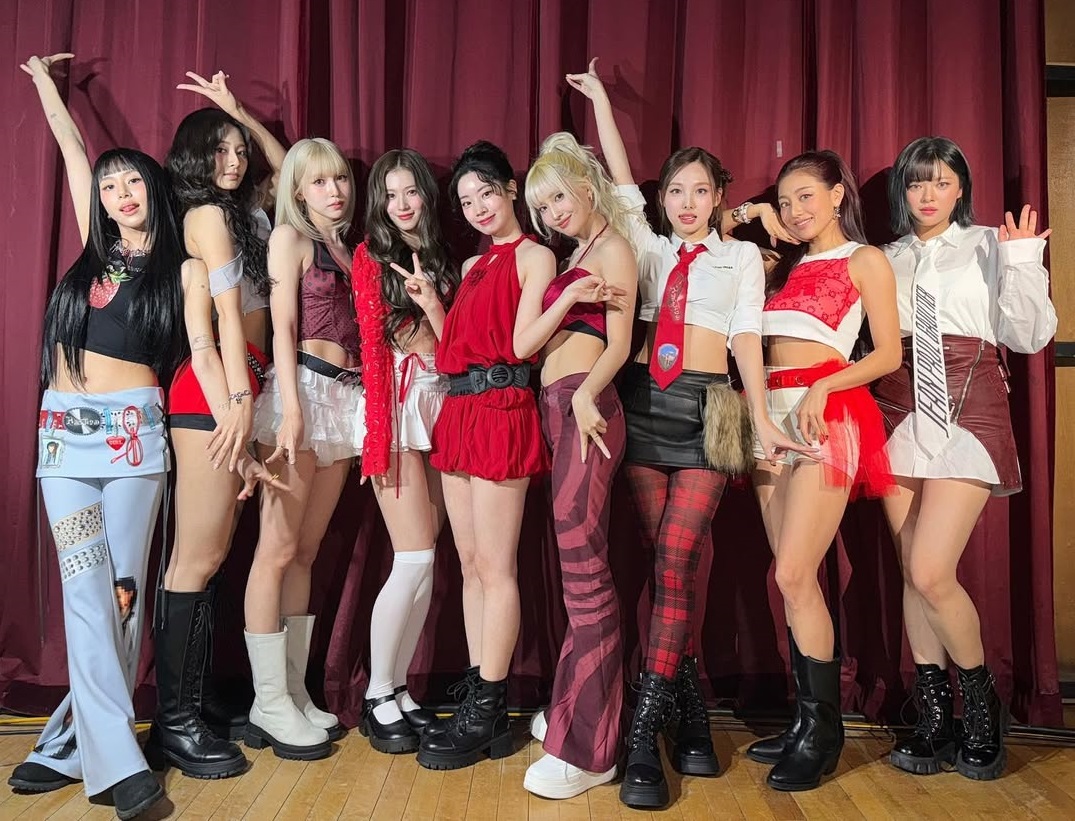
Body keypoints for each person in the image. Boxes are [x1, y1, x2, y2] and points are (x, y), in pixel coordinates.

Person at [567, 59, 808, 808]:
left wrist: (761, 418)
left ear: (719, 197)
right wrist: (601, 101)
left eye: (701, 190)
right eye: (675, 190)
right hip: (641, 404)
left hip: (710, 410)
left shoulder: (739, 258)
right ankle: (691, 712)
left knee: (677, 554)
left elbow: (746, 340)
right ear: (662, 197)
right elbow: (617, 176)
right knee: (669, 568)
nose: (687, 203)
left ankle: (643, 734)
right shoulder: (644, 244)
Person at [8, 52, 183, 820]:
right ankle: (118, 764)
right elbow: (72, 148)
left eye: (131, 181)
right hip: (64, 441)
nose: (118, 193)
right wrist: (47, 86)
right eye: (108, 186)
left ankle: (69, 741)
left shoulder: (177, 265)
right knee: (84, 590)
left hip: (133, 439)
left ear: (153, 190)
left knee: (121, 595)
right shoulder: (94, 250)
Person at [874, 137, 1056, 781]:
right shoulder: (885, 257)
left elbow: (1028, 336)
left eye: (942, 182)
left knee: (932, 569)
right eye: (916, 182)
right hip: (897, 408)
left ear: (961, 189)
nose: (928, 195)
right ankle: (934, 719)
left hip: (968, 406)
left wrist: (1024, 260)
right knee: (910, 569)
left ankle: (981, 708)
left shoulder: (988, 245)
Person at [747, 149, 901, 792]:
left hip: (826, 414)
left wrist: (826, 385)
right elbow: (711, 229)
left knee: (793, 570)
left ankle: (824, 732)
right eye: (784, 203)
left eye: (805, 196)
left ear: (838, 194)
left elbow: (888, 354)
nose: (794, 211)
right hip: (769, 419)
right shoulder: (781, 266)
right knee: (789, 579)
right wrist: (755, 215)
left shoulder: (865, 260)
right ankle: (805, 721)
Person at [151, 70, 286, 778]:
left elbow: (288, 172)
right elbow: (226, 321)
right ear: (194, 159)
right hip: (212, 391)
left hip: (241, 384)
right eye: (221, 149)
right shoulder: (205, 214)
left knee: (211, 557)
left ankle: (193, 707)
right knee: (195, 559)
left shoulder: (241, 212)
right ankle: (174, 723)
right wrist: (237, 400)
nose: (234, 160)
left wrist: (237, 111)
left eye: (239, 150)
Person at [415, 141, 552, 771]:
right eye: (466, 201)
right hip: (460, 410)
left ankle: (491, 704)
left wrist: (568, 299)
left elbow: (519, 345)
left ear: (511, 188)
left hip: (502, 410)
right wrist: (432, 306)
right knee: (469, 563)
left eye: (486, 193)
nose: (478, 208)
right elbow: (453, 350)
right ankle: (480, 694)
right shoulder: (471, 266)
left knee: (496, 567)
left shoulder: (536, 256)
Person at [518, 131, 637, 799]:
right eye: (542, 206)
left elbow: (620, 343)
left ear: (587, 189)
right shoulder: (580, 253)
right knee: (575, 574)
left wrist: (587, 394)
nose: (553, 212)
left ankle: (591, 749)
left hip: (586, 409)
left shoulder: (614, 246)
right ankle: (574, 710)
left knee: (586, 575)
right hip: (561, 407)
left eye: (559, 197)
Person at [245, 137, 361, 761]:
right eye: (318, 181)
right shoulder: (290, 238)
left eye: (339, 178)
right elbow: (284, 327)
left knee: (305, 552)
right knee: (277, 548)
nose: (333, 190)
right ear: (296, 189)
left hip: (344, 397)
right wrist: (291, 408)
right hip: (303, 392)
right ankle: (268, 702)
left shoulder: (348, 248)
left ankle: (291, 689)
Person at [352, 149, 456, 754]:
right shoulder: (372, 256)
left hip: (443, 406)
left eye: (410, 191)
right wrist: (378, 436)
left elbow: (453, 345)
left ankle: (398, 688)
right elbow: (374, 345)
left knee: (428, 561)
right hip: (397, 407)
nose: (401, 204)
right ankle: (375, 696)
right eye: (390, 195)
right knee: (413, 558)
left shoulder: (441, 255)